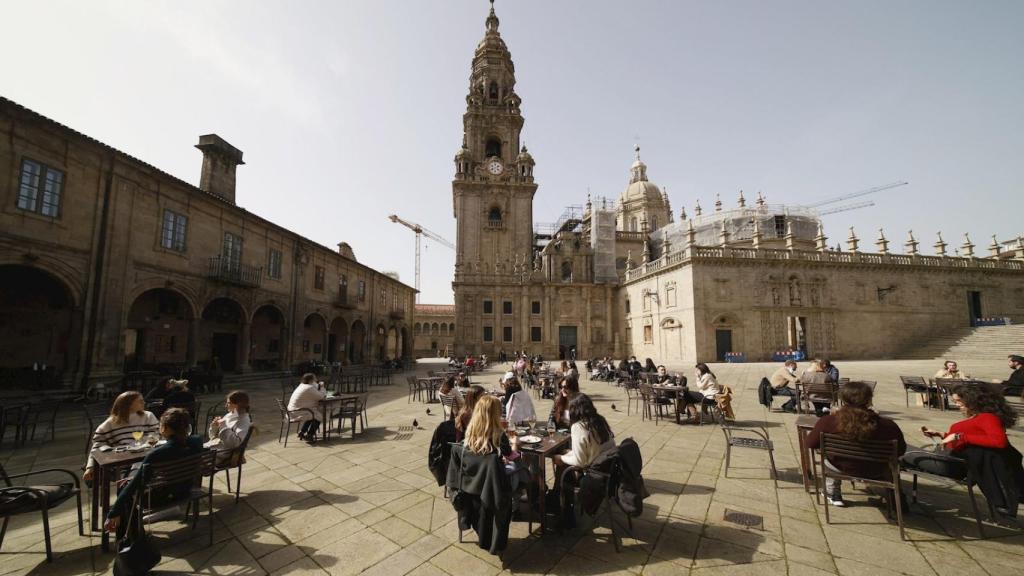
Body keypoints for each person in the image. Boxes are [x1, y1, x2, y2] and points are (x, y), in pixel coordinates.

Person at [905, 383, 1022, 517]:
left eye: (959, 401)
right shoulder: (980, 416)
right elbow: (974, 438)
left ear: (973, 399)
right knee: (900, 448)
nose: (957, 404)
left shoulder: (988, 418)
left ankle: (895, 499)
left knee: (900, 449)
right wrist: (941, 434)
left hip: (951, 464)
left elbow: (999, 441)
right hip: (949, 458)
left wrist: (961, 436)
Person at [103, 408, 205, 536]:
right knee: (127, 484)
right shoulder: (197, 441)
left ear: (166, 428)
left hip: (161, 498)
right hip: (186, 490)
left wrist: (113, 512)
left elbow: (135, 486)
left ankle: (132, 536)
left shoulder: (156, 454)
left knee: (123, 489)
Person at [806, 381, 907, 507]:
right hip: (878, 469)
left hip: (841, 467)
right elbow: (901, 450)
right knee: (893, 465)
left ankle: (832, 492)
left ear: (842, 399)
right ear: (869, 400)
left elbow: (810, 443)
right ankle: (896, 499)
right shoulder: (888, 425)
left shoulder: (829, 421)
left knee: (827, 456)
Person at [83, 391, 160, 483]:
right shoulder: (110, 424)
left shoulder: (148, 416)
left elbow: (155, 435)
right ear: (129, 404)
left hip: (145, 455)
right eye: (140, 401)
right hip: (124, 461)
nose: (144, 403)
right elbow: (97, 447)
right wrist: (90, 467)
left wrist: (143, 444)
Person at [553, 393, 616, 469]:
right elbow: (592, 449)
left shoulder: (579, 427)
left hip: (596, 470)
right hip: (609, 465)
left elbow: (580, 461)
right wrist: (570, 453)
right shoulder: (599, 419)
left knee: (559, 460)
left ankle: (562, 481)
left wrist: (561, 458)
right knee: (565, 453)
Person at [207, 390, 252, 463]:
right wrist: (214, 427)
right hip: (214, 449)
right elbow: (212, 436)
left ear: (237, 404)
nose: (225, 406)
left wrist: (224, 426)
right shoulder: (230, 415)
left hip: (223, 455)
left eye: (228, 403)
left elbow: (235, 444)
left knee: (192, 461)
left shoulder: (244, 420)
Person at [287, 373, 326, 443]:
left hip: (291, 410)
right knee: (319, 416)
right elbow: (321, 396)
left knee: (313, 414)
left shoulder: (302, 385)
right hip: (298, 411)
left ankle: (302, 432)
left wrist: (319, 385)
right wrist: (322, 387)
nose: (316, 380)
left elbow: (316, 386)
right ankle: (310, 435)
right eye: (315, 379)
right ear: (311, 380)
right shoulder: (309, 388)